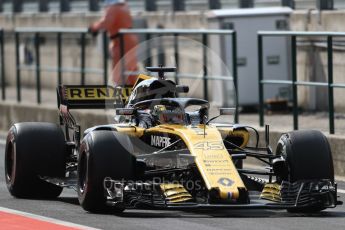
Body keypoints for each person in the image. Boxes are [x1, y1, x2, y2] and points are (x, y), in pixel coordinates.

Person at [89, 0, 139, 86]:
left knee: (119, 67)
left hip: (121, 41)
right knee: (131, 66)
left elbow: (106, 22)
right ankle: (133, 87)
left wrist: (93, 28)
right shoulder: (123, 5)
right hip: (127, 38)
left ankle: (120, 89)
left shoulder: (113, 8)